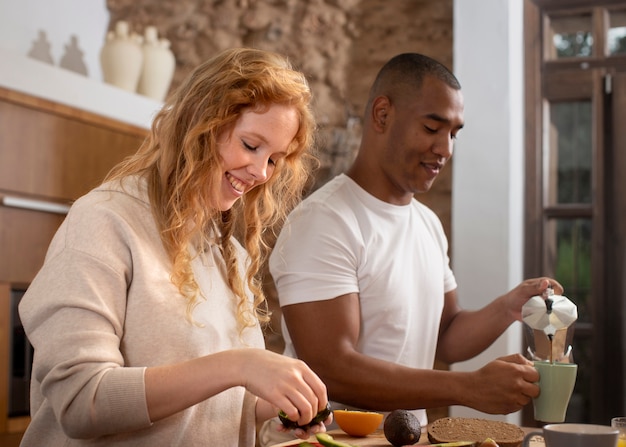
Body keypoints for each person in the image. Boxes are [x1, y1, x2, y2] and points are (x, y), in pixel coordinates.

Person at [18, 47, 330, 446]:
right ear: (200, 124)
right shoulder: (103, 221)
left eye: (274, 159)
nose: (260, 172)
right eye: (252, 146)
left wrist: (271, 413)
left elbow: (218, 406)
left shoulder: (228, 254)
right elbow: (82, 401)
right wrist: (238, 365)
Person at [260, 52, 564, 444]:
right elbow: (331, 367)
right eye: (432, 127)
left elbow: (447, 336)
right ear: (382, 115)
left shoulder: (427, 225)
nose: (446, 148)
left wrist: (509, 306)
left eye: (454, 133)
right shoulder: (325, 221)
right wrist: (467, 388)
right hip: (330, 441)